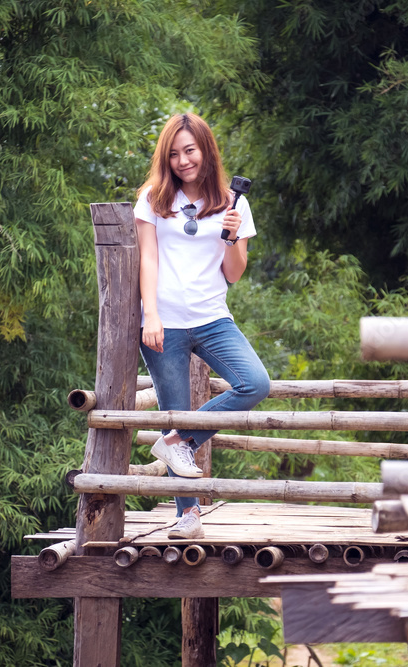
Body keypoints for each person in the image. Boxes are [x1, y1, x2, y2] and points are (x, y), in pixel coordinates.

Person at [134, 112, 271, 540]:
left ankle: (179, 442)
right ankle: (187, 516)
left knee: (255, 383)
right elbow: (149, 259)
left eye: (189, 150)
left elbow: (233, 273)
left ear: (205, 150)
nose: (183, 160)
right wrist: (151, 314)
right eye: (174, 154)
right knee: (172, 411)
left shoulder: (235, 203)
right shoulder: (153, 198)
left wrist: (230, 237)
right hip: (166, 323)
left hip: (213, 319)